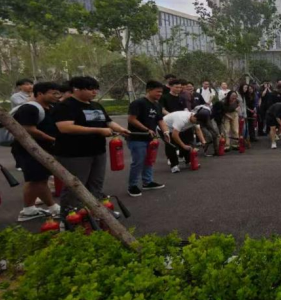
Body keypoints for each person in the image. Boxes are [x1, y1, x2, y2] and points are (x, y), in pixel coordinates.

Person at [52, 76, 131, 217]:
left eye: (96, 89)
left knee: (96, 184)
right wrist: (98, 130)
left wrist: (120, 129)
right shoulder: (65, 106)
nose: (94, 92)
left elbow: (108, 122)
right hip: (74, 154)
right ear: (76, 89)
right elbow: (65, 127)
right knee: (75, 186)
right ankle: (70, 218)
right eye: (90, 89)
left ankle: (97, 213)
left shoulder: (96, 105)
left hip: (98, 151)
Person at [10, 81, 62, 221]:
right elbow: (28, 129)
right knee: (36, 180)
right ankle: (50, 207)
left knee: (38, 180)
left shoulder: (50, 107)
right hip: (29, 150)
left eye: (58, 93)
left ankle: (29, 209)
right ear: (40, 93)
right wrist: (52, 139)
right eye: (53, 93)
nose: (57, 96)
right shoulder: (29, 108)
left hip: (43, 150)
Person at [126, 80, 169, 197]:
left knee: (149, 160)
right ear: (149, 90)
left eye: (161, 92)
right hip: (137, 138)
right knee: (138, 162)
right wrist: (146, 129)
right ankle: (132, 186)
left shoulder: (157, 105)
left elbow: (160, 120)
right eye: (158, 91)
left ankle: (147, 182)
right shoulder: (138, 103)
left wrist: (166, 132)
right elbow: (132, 119)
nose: (160, 94)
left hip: (150, 139)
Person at [163, 108, 209, 172]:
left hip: (178, 129)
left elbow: (198, 130)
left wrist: (203, 141)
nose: (197, 123)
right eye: (197, 122)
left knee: (187, 141)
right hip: (165, 127)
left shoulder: (196, 118)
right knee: (171, 145)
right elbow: (174, 135)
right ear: (194, 117)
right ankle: (174, 166)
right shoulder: (182, 120)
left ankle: (188, 161)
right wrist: (183, 146)